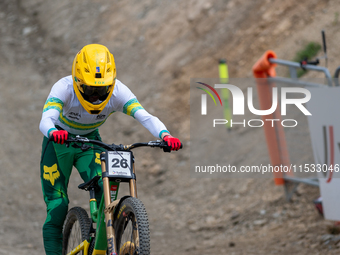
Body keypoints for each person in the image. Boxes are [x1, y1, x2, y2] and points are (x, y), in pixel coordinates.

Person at [39, 44, 181, 255]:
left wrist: (165, 135)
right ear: (78, 82)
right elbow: (46, 118)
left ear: (111, 84)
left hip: (90, 143)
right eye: (90, 90)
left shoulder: (118, 91)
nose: (96, 96)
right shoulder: (64, 87)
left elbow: (145, 116)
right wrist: (52, 131)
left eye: (102, 89)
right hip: (59, 143)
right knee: (58, 205)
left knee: (107, 191)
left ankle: (101, 246)